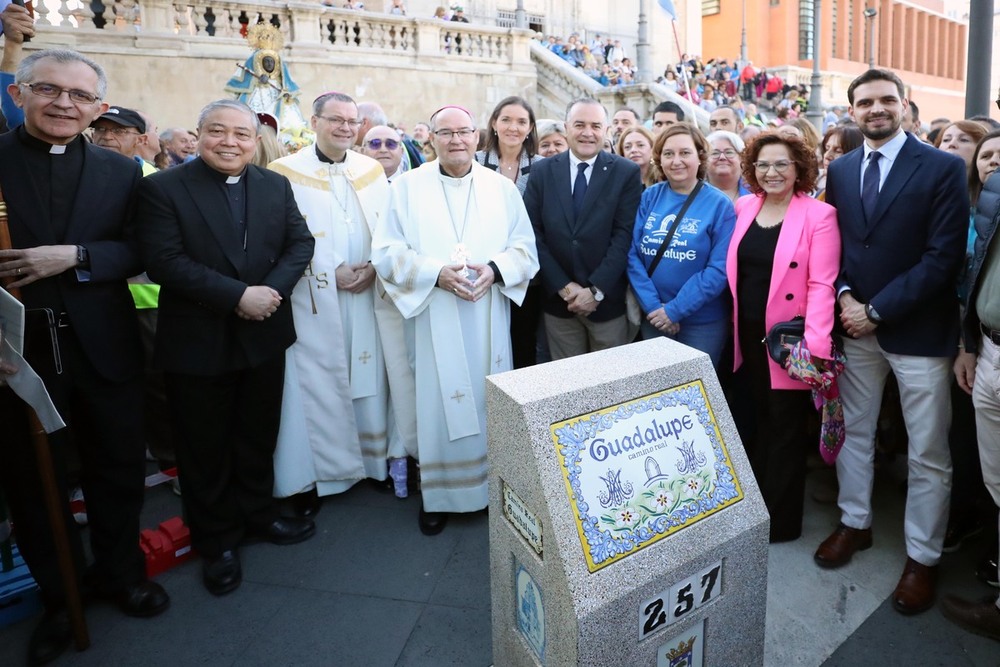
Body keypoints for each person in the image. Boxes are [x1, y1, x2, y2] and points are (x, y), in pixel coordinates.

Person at [0, 48, 170, 665]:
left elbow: (142, 250)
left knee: (117, 469)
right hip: (17, 352)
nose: (64, 104)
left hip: (104, 343)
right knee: (34, 481)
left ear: (97, 108)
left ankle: (121, 575)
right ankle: (59, 593)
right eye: (49, 90)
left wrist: (75, 256)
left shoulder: (120, 172)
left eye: (80, 96)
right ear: (20, 95)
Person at [134, 99, 316, 597]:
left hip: (264, 333)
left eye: (241, 134)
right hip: (198, 338)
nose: (230, 142)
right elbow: (164, 260)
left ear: (255, 141)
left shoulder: (274, 185)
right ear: (198, 135)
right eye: (218, 131)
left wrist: (269, 293)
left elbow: (300, 244)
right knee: (203, 446)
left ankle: (259, 515)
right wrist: (238, 296)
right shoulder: (162, 189)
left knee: (257, 434)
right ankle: (216, 542)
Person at [813, 69, 969, 616]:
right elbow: (840, 248)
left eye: (885, 101)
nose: (875, 110)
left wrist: (877, 310)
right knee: (853, 432)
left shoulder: (944, 167)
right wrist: (851, 298)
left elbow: (943, 257)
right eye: (864, 103)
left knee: (928, 451)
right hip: (855, 327)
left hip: (918, 332)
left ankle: (922, 557)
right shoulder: (844, 168)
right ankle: (855, 524)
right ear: (851, 110)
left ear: (904, 104)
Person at [371, 104, 539, 535]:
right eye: (445, 133)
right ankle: (438, 495)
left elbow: (525, 248)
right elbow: (387, 252)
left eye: (463, 132)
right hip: (433, 313)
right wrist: (435, 274)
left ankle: (488, 490)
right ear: (432, 139)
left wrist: (495, 270)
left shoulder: (502, 190)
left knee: (487, 398)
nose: (456, 141)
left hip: (485, 312)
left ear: (477, 137)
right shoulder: (406, 188)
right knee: (436, 401)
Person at [268, 92, 408, 509]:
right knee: (316, 382)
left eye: (352, 121)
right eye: (336, 120)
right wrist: (330, 269)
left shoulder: (369, 170)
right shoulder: (284, 172)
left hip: (367, 292)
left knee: (370, 377)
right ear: (315, 121)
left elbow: (388, 230)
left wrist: (372, 266)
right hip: (313, 297)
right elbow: (280, 237)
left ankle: (373, 463)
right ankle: (318, 475)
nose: (346, 127)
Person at [726, 132, 840, 542]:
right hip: (746, 333)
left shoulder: (818, 215)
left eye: (781, 164)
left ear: (799, 169)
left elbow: (822, 285)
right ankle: (755, 508)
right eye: (762, 165)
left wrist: (817, 347)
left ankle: (781, 521)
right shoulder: (744, 206)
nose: (771, 172)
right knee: (755, 419)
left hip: (790, 342)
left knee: (786, 429)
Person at [524, 97, 642, 360]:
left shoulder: (626, 172)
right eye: (579, 125)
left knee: (610, 387)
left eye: (595, 126)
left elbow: (624, 236)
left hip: (606, 304)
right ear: (567, 127)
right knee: (567, 387)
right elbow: (533, 234)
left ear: (607, 130)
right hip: (558, 303)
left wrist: (596, 291)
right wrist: (564, 287)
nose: (588, 133)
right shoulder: (542, 171)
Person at [943, 132, 1000, 641]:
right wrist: (970, 342)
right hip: (984, 347)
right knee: (992, 472)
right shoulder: (986, 197)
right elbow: (979, 273)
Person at [627, 123, 735, 368]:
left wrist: (674, 311)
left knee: (695, 397)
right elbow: (632, 255)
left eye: (685, 153)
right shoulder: (649, 196)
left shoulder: (719, 205)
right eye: (668, 154)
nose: (676, 161)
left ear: (700, 157)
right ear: (659, 160)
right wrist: (655, 308)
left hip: (702, 323)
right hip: (653, 317)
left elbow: (718, 270)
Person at [475, 96, 539, 196]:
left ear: (530, 127)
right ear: (494, 123)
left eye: (521, 122)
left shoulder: (541, 166)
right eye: (506, 120)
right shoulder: (475, 162)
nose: (513, 128)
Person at [816, 124, 863, 199]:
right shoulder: (820, 190)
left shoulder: (860, 196)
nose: (827, 156)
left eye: (838, 151)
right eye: (827, 149)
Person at [705, 130, 750, 203]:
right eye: (715, 153)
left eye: (729, 152)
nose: (722, 157)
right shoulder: (694, 193)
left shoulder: (755, 192)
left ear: (741, 158)